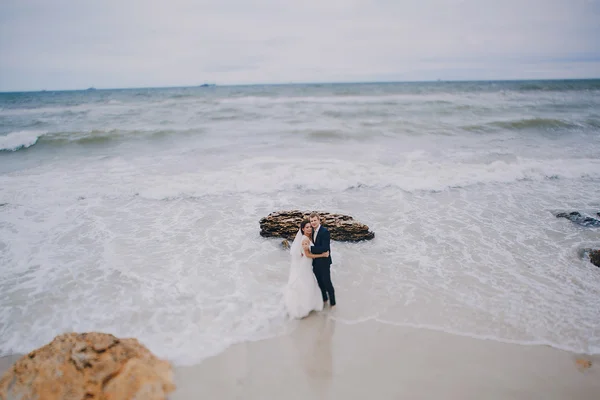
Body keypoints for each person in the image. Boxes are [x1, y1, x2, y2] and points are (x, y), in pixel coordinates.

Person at [284, 220, 330, 319]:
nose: (309, 228)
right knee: (306, 283)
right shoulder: (305, 239)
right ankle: (303, 307)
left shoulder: (308, 237)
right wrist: (323, 255)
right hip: (306, 264)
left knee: (307, 282)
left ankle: (309, 304)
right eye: (307, 227)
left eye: (310, 227)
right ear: (302, 229)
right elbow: (308, 255)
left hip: (307, 264)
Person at [306, 212, 336, 307]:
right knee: (320, 282)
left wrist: (310, 248)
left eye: (315, 220)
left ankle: (333, 303)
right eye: (311, 221)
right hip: (315, 262)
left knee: (327, 282)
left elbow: (325, 248)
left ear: (319, 220)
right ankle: (324, 299)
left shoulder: (324, 232)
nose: (313, 222)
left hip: (324, 262)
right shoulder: (312, 231)